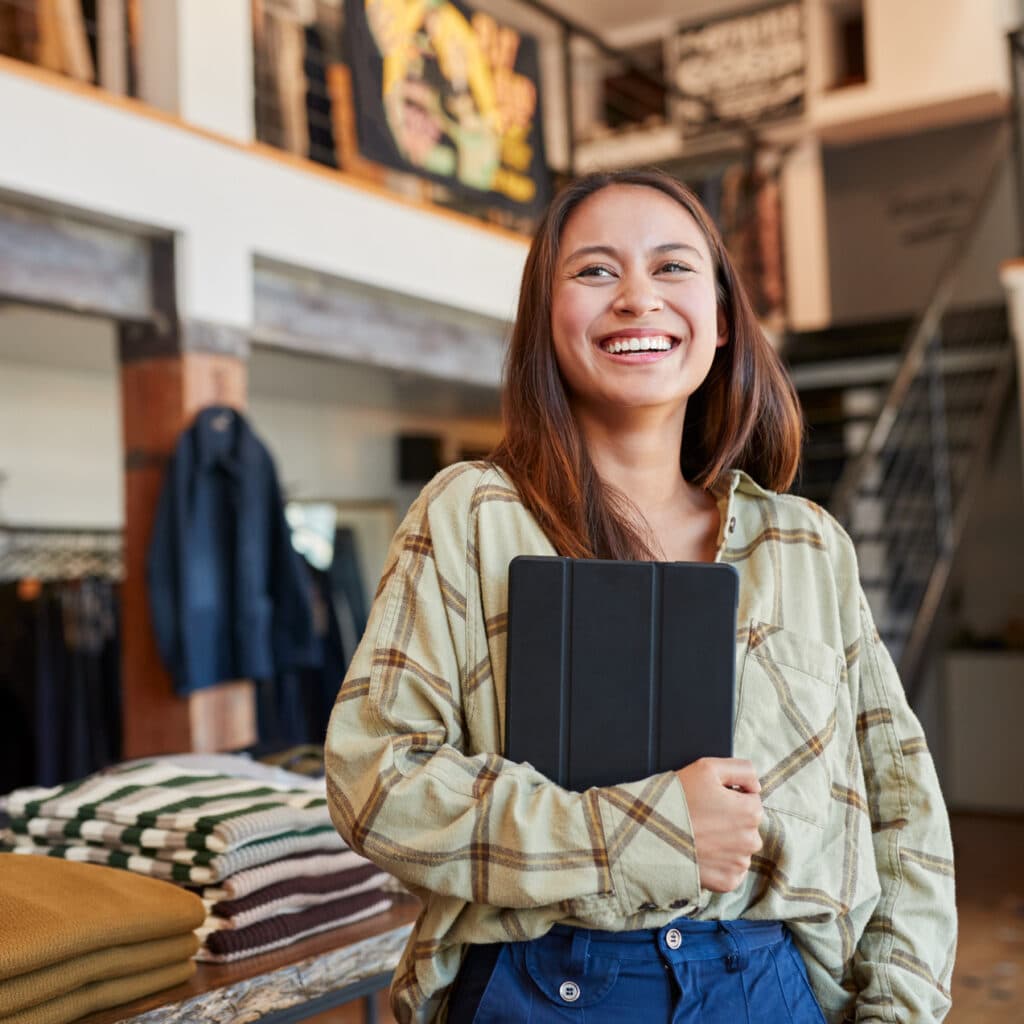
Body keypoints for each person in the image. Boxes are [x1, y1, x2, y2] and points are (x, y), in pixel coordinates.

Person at [324, 169, 956, 1023]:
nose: (636, 297)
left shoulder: (806, 544)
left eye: (672, 267)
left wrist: (899, 1008)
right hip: (542, 984)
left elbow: (903, 806)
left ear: (722, 319)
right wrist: (646, 832)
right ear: (545, 320)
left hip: (770, 986)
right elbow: (375, 778)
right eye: (594, 270)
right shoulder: (470, 516)